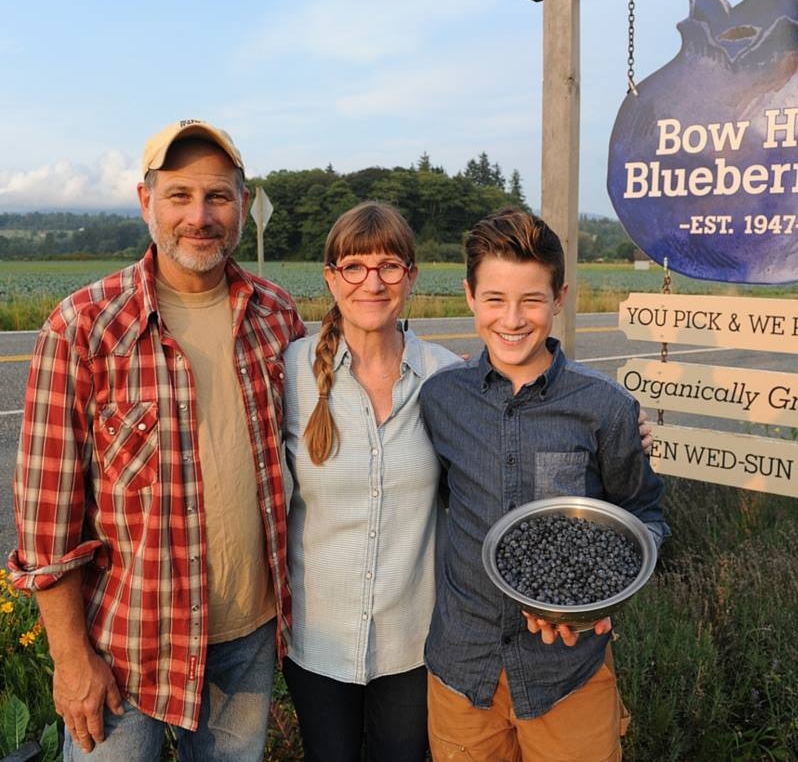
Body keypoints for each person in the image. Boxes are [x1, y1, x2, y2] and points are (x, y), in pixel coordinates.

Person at [7, 119, 307, 761]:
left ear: (243, 205)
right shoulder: (84, 326)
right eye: (179, 196)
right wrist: (69, 658)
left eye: (219, 196)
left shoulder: (277, 318)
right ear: (147, 203)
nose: (200, 216)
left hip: (245, 640)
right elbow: (45, 523)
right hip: (123, 647)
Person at [418, 208, 670, 762]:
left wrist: (601, 596)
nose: (512, 319)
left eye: (532, 300)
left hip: (567, 674)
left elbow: (643, 515)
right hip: (464, 671)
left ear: (558, 298)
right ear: (469, 296)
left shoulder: (605, 406)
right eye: (494, 299)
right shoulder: (441, 399)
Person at [279, 201, 462, 761]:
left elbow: (512, 446)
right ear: (332, 278)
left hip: (413, 640)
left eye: (389, 266)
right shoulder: (288, 372)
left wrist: (620, 426)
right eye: (354, 267)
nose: (372, 282)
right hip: (317, 638)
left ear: (411, 276)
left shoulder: (447, 377)